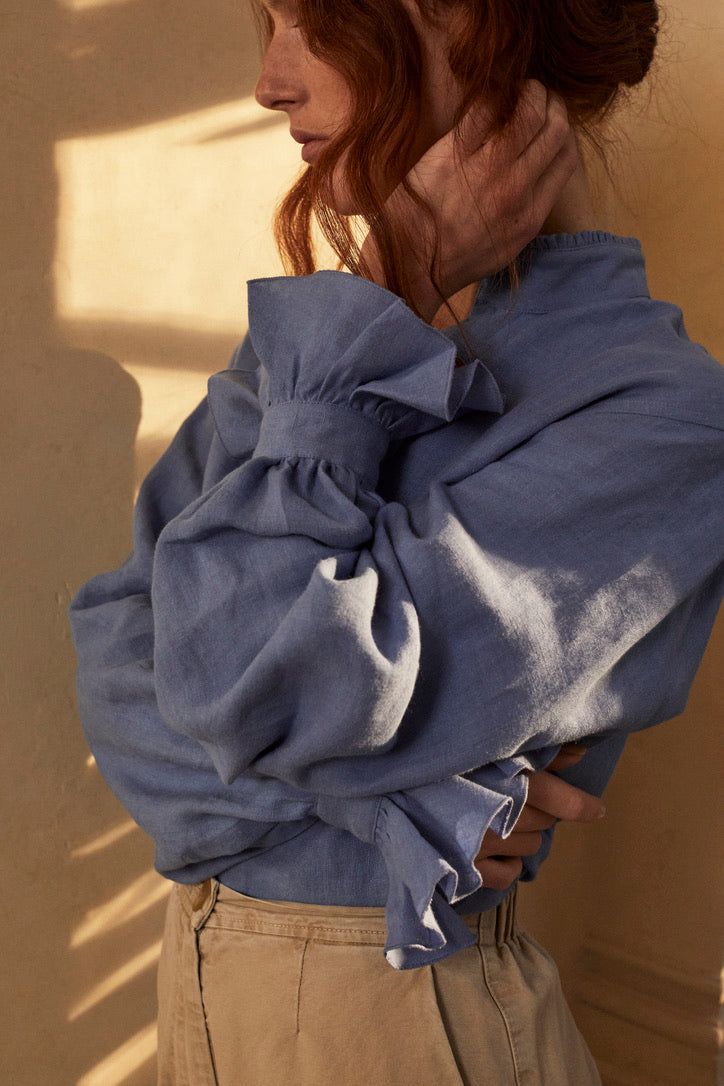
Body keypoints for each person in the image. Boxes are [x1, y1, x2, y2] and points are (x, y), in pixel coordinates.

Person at [69, 1, 724, 1083]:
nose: (269, 82)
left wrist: (395, 279)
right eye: (265, 22)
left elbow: (229, 674)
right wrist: (402, 810)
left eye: (312, 21)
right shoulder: (333, 334)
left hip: (402, 1018)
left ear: (466, 24)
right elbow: (115, 663)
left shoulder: (661, 417)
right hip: (208, 975)